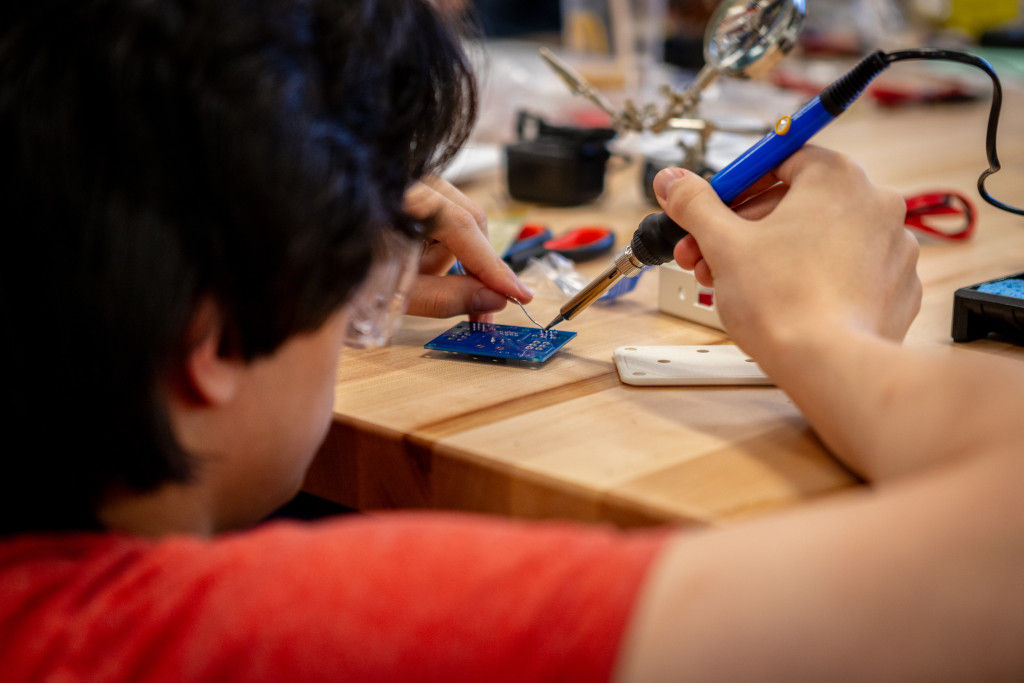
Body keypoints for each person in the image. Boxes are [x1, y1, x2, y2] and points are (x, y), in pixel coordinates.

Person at [0, 0, 1021, 680]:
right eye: (341, 285)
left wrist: (294, 243)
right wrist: (824, 333)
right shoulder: (232, 639)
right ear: (211, 338)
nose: (369, 291)